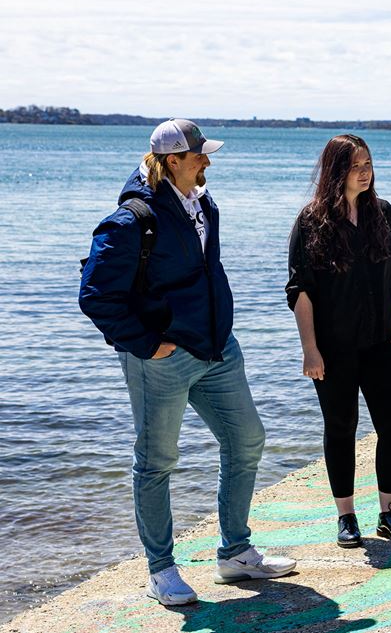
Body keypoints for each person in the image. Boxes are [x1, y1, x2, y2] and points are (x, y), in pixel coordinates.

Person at [79, 119, 296, 607]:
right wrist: (145, 343)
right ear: (172, 160)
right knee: (156, 462)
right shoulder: (132, 219)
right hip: (162, 358)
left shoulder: (202, 201)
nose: (207, 161)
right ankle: (161, 570)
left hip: (217, 348)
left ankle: (236, 554)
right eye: (198, 155)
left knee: (246, 440)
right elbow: (95, 294)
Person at [286, 134, 391, 549]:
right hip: (333, 347)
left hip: (383, 340)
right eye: (356, 165)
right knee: (341, 428)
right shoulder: (311, 221)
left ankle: (388, 512)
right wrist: (310, 349)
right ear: (336, 170)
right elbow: (300, 290)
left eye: (368, 163)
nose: (365, 171)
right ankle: (346, 516)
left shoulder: (384, 214)